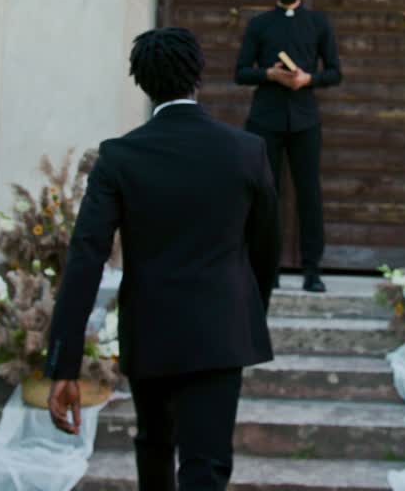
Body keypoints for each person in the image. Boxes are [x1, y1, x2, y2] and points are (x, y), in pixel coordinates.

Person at [45, 27, 280, 490]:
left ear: (143, 83)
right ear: (198, 75)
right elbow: (267, 249)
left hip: (151, 331)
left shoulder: (117, 157)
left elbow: (86, 258)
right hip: (220, 330)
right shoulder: (247, 151)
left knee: (153, 449)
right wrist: (247, 314)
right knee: (206, 467)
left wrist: (64, 365)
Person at [234, 0, 343, 293]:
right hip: (265, 119)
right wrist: (269, 74)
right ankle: (269, 268)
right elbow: (241, 72)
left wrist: (308, 79)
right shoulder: (259, 24)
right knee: (267, 195)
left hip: (305, 119)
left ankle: (312, 270)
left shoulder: (318, 22)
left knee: (309, 193)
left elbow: (335, 72)